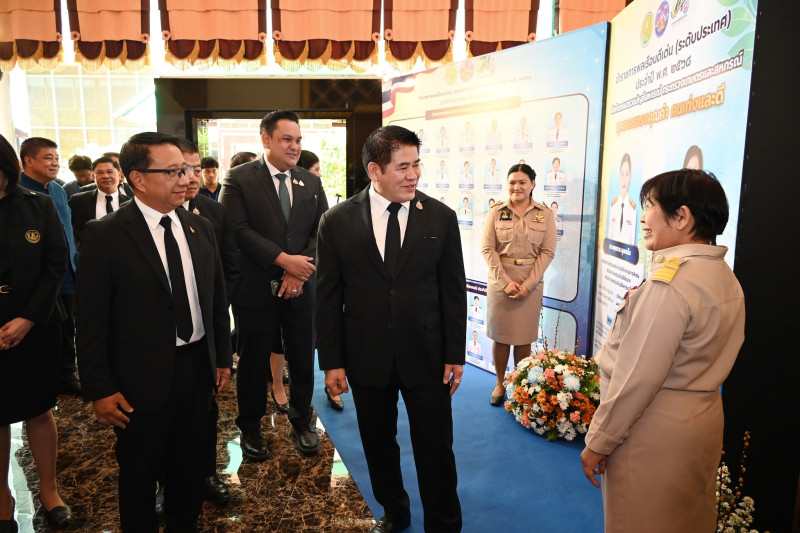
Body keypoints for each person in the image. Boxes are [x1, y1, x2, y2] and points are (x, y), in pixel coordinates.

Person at [75, 132, 232, 531]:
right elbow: (90, 320)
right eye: (174, 171)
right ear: (138, 179)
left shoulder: (199, 226)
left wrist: (221, 358)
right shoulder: (106, 234)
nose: (186, 179)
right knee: (139, 471)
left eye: (187, 170)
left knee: (190, 464)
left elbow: (214, 299)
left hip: (197, 368)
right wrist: (99, 388)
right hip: (138, 377)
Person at [317, 125, 466, 533]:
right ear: (374, 170)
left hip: (428, 354)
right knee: (378, 444)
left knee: (436, 447)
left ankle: (444, 523)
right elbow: (327, 298)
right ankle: (395, 512)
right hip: (367, 355)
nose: (413, 175)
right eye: (402, 167)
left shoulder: (440, 217)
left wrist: (455, 354)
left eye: (417, 164)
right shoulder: (336, 221)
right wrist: (332, 362)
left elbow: (453, 292)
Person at [581, 169, 745, 533]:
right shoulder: (723, 276)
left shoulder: (671, 284)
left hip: (651, 430)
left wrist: (599, 441)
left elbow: (638, 378)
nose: (643, 218)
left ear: (682, 217)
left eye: (650, 206)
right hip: (700, 423)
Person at [221, 110, 328, 459]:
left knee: (302, 359)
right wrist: (284, 261)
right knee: (253, 362)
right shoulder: (239, 178)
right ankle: (251, 426)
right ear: (266, 140)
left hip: (301, 288)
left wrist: (298, 271)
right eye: (286, 139)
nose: (294, 146)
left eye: (298, 140)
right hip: (255, 290)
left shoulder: (310, 182)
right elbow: (237, 230)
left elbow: (321, 231)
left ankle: (302, 421)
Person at [0, 134, 72, 530]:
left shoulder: (37, 204)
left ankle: (49, 490)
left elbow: (55, 264)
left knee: (39, 409)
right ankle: (2, 496)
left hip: (37, 322)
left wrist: (27, 318)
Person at [176, 138, 240, 505]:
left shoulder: (213, 213)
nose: (190, 177)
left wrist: (216, 305)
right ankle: (165, 484)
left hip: (205, 335)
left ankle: (207, 473)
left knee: (205, 412)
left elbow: (230, 267)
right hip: (159, 344)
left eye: (195, 169)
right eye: (181, 170)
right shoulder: (122, 224)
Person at [481, 164, 557, 406]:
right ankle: (500, 383)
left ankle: (520, 384)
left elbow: (547, 252)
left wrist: (529, 284)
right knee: (501, 337)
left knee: (524, 339)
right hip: (501, 282)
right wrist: (505, 283)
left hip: (530, 284)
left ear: (532, 184)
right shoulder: (496, 212)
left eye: (522, 182)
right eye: (512, 182)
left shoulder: (545, 214)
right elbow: (487, 249)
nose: (517, 187)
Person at [19, 138, 80, 396]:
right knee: (43, 328)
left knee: (67, 327)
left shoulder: (57, 189)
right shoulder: (17, 191)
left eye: (56, 158)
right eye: (48, 158)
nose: (55, 163)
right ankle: (44, 379)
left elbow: (68, 229)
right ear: (28, 160)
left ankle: (67, 374)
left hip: (66, 271)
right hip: (39, 275)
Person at [296, 149, 343, 411]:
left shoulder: (317, 191)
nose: (320, 174)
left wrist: (301, 267)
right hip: (284, 273)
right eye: (315, 169)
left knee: (322, 332)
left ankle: (331, 384)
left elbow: (322, 229)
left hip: (313, 271)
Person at [69, 157, 131, 247]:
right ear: (93, 176)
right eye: (100, 172)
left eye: (110, 172)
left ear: (119, 174)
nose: (105, 176)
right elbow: (69, 227)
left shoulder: (130, 203)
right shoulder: (78, 201)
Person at [608, 153, 637, 244]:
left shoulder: (633, 208)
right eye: (622, 174)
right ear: (619, 176)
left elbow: (632, 239)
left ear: (630, 178)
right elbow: (609, 235)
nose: (624, 179)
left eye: (627, 174)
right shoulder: (613, 205)